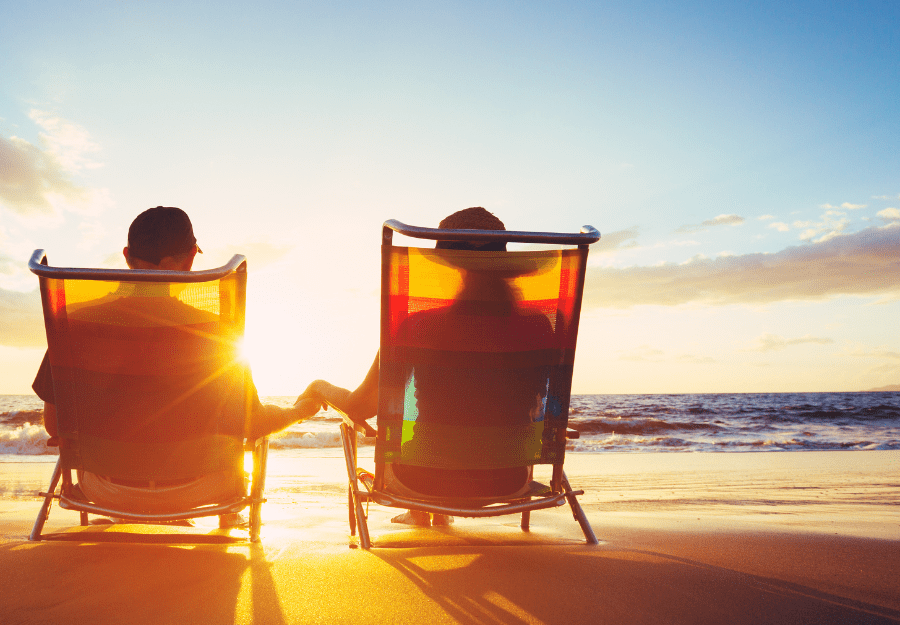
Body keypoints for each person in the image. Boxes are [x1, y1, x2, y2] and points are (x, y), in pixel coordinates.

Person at [33, 206, 320, 526]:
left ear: (127, 256)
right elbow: (252, 425)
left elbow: (55, 426)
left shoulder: (77, 324)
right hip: (201, 489)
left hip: (104, 490)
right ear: (184, 261)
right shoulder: (217, 333)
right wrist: (299, 411)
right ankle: (226, 520)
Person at [298, 207, 549, 527]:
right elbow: (532, 404)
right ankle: (429, 512)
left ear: (451, 268)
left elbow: (361, 406)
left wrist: (319, 387)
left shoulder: (419, 327)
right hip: (508, 479)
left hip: (422, 479)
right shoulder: (538, 327)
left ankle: (422, 509)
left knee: (426, 440)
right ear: (504, 267)